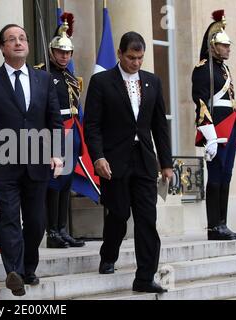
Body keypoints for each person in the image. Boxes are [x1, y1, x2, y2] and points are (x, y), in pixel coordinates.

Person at [0, 24, 64, 296]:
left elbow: (55, 121)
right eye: (11, 40)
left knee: (36, 222)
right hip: (3, 162)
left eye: (22, 38)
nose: (18, 43)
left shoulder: (44, 80)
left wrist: (57, 154)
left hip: (37, 161)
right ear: (2, 47)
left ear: (29, 45)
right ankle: (13, 271)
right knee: (9, 218)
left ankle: (28, 266)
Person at [84, 32, 173, 293]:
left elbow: (160, 126)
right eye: (131, 57)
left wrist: (166, 163)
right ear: (120, 55)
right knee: (120, 214)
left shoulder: (152, 82)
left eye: (140, 58)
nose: (136, 63)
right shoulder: (101, 82)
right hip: (114, 161)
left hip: (144, 160)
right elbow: (92, 126)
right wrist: (98, 157)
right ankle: (108, 254)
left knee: (147, 219)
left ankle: (145, 277)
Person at [192, 10, 236, 241]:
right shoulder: (203, 69)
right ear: (213, 46)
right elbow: (201, 102)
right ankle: (214, 227)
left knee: (226, 175)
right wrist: (209, 135)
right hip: (216, 128)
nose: (228, 48)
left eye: (228, 45)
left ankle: (223, 223)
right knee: (215, 177)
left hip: (230, 126)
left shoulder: (224, 69)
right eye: (224, 45)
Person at [36, 14, 85, 249]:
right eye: (60, 52)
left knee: (67, 182)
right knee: (55, 182)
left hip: (71, 130)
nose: (64, 56)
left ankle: (63, 229)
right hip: (54, 131)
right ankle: (52, 231)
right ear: (51, 51)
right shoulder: (42, 73)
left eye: (67, 53)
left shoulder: (71, 77)